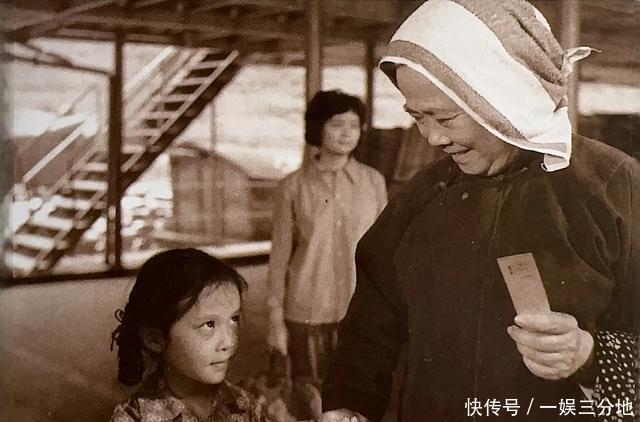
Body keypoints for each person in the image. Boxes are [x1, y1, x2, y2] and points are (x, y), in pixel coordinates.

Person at [321, 1, 638, 421]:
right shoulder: (424, 195)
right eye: (417, 117)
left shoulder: (613, 186)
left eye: (444, 118)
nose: (432, 137)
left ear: (500, 98)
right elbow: (371, 322)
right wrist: (349, 402)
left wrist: (590, 356)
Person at [267, 90, 388, 419]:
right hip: (307, 309)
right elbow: (279, 258)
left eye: (354, 125)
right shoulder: (292, 187)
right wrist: (274, 319)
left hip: (360, 308)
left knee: (358, 393)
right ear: (317, 128)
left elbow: (384, 252)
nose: (347, 133)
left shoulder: (374, 182)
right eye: (337, 124)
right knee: (311, 397)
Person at [110, 248, 277, 422]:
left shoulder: (243, 404)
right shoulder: (134, 417)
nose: (228, 342)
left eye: (233, 319)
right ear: (155, 339)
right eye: (209, 324)